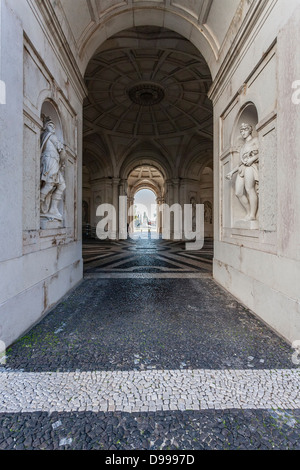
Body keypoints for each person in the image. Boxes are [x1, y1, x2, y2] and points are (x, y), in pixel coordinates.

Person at [226, 123, 259, 221]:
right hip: (242, 168)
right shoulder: (243, 146)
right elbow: (240, 163)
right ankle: (248, 212)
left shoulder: (255, 140)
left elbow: (262, 151)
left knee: (249, 189)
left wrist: (252, 159)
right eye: (241, 131)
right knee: (238, 192)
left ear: (250, 130)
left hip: (250, 167)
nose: (242, 132)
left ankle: (252, 215)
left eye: (244, 130)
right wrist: (231, 172)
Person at [40, 115, 66, 221]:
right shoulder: (51, 136)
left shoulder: (47, 135)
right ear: (46, 127)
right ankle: (38, 203)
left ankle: (53, 208)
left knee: (61, 185)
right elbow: (62, 151)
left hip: (54, 162)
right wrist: (62, 162)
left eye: (54, 126)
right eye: (51, 125)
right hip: (51, 161)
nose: (53, 128)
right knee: (49, 184)